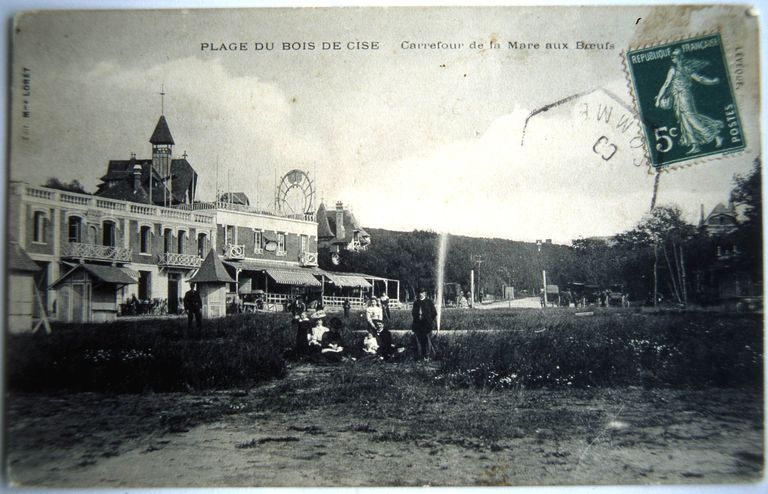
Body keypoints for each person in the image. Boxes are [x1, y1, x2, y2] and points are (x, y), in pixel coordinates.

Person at [655, 48, 724, 155]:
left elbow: (700, 79)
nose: (672, 58)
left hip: (684, 96)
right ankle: (695, 145)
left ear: (680, 57)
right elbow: (667, 85)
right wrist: (659, 97)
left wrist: (712, 81)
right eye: (672, 56)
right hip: (677, 97)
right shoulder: (674, 69)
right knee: (684, 121)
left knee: (691, 118)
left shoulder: (682, 69)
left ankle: (715, 136)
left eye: (674, 56)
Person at [411, 288, 437, 359]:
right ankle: (420, 355)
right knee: (419, 340)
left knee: (427, 339)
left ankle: (428, 355)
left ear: (425, 293)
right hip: (418, 324)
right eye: (419, 292)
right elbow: (413, 313)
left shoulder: (429, 302)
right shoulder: (416, 303)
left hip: (427, 324)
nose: (420, 294)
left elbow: (434, 313)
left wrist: (429, 320)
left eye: (422, 292)